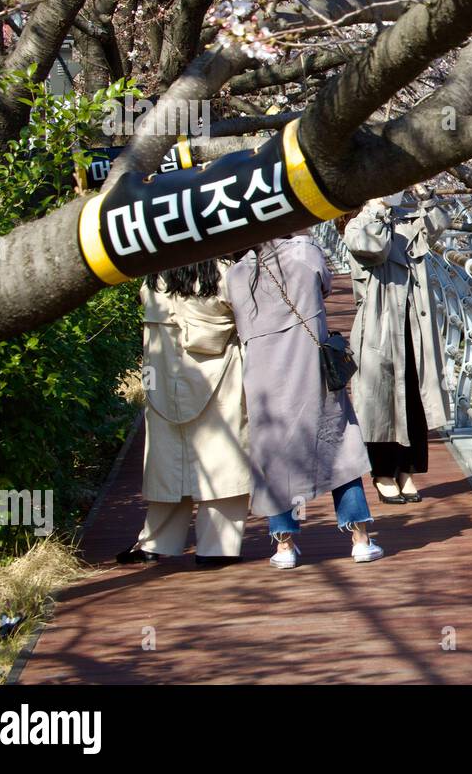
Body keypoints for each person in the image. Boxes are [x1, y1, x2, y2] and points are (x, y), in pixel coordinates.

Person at [225, 234, 382, 569]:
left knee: (274, 455)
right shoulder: (304, 252)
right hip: (310, 365)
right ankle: (360, 539)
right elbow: (323, 284)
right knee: (339, 445)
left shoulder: (236, 274)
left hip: (264, 376)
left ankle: (284, 544)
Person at [117, 260, 251, 567]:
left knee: (168, 460)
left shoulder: (156, 271)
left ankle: (156, 540)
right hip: (219, 370)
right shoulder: (223, 271)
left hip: (163, 373)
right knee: (223, 459)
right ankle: (218, 547)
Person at [344, 193, 451, 505]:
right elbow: (373, 247)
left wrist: (425, 196)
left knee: (414, 398)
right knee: (381, 401)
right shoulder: (359, 226)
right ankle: (383, 472)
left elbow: (438, 224)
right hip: (380, 326)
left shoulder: (406, 221)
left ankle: (408, 470)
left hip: (414, 323)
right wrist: (375, 209)